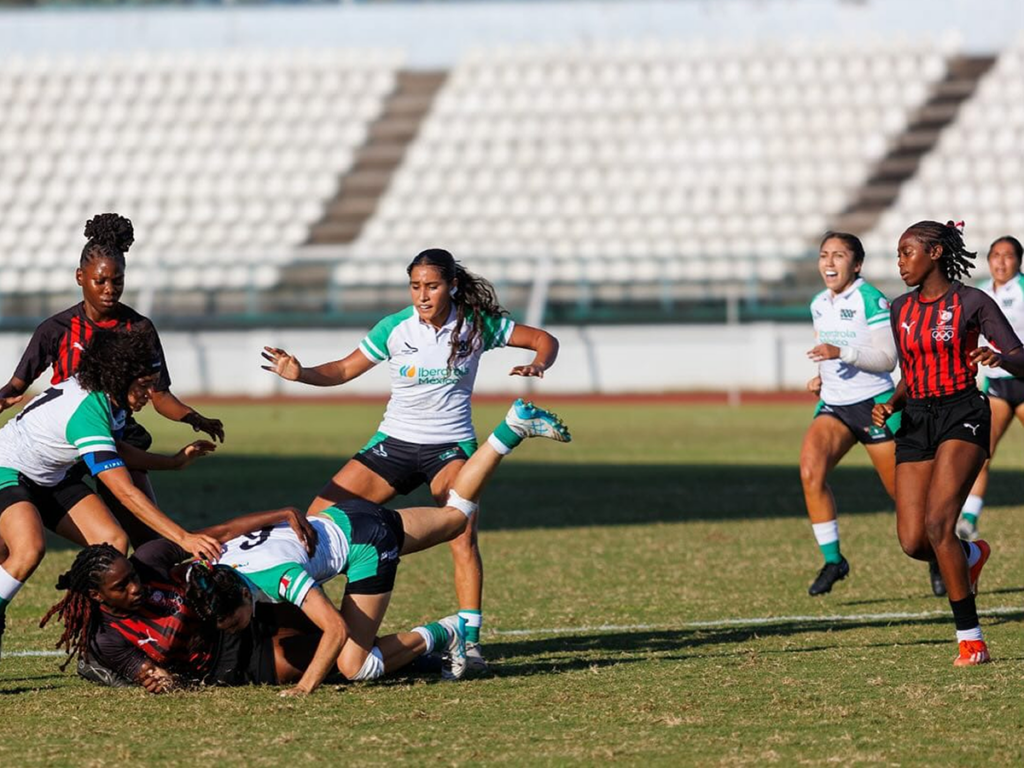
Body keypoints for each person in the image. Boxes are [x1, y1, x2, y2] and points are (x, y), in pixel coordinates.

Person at [260, 248, 559, 672]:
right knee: (316, 520)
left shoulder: (476, 326)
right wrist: (301, 373)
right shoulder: (395, 328)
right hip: (394, 443)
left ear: (451, 286)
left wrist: (539, 362)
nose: (422, 295)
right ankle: (314, 629)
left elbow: (544, 339)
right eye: (415, 286)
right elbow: (345, 370)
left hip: (450, 448)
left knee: (462, 533)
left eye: (432, 286)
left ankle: (469, 645)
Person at [189, 399, 571, 696]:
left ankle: (445, 633)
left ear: (242, 591)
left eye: (235, 619)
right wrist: (283, 511)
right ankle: (511, 428)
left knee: (355, 665)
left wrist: (305, 688)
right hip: (344, 516)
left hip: (365, 546)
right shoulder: (211, 559)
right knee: (456, 517)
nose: (236, 628)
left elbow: (335, 630)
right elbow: (223, 528)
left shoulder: (279, 578)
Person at [0, 213, 224, 547]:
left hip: (119, 437)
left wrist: (193, 418)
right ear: (80, 277)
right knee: (13, 546)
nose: (109, 290)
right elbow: (15, 389)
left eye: (117, 281)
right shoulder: (55, 330)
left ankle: (138, 590)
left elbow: (160, 394)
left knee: (145, 539)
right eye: (100, 281)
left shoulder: (139, 328)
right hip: (64, 440)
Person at [0, 329, 222, 661]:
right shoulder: (90, 411)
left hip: (49, 477)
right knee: (28, 549)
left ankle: (97, 649)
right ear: (120, 376)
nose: (150, 393)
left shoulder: (107, 397)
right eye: (144, 384)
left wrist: (173, 462)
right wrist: (184, 538)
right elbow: (125, 493)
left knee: (112, 543)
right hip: (7, 468)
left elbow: (115, 449)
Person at [872, 220, 1024, 666]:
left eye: (907, 252)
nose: (900, 262)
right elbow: (910, 373)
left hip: (964, 413)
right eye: (898, 254)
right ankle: (972, 553)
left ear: (936, 253)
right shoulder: (900, 309)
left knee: (940, 525)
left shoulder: (974, 301)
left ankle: (971, 641)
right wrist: (890, 401)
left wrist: (999, 358)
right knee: (914, 542)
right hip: (917, 420)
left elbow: (1020, 355)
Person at [39, 507, 319, 693]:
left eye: (133, 576)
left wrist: (283, 513)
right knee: (314, 657)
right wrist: (166, 682)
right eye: (121, 587)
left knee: (325, 625)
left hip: (239, 615)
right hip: (226, 664)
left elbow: (217, 534)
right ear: (97, 596)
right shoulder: (108, 637)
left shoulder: (150, 559)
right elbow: (164, 679)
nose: (135, 588)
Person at [801, 232, 910, 595]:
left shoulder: (871, 299)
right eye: (823, 255)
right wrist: (820, 377)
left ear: (857, 264)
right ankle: (834, 561)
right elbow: (827, 351)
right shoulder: (819, 303)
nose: (829, 262)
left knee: (904, 497)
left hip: (874, 405)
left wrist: (841, 353)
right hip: (834, 404)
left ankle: (945, 555)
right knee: (810, 472)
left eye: (839, 255)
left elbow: (887, 359)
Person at [957, 235, 1024, 540]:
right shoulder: (981, 292)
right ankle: (968, 519)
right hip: (997, 385)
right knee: (981, 453)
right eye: (995, 255)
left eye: (1008, 255)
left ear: (1019, 261)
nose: (1000, 261)